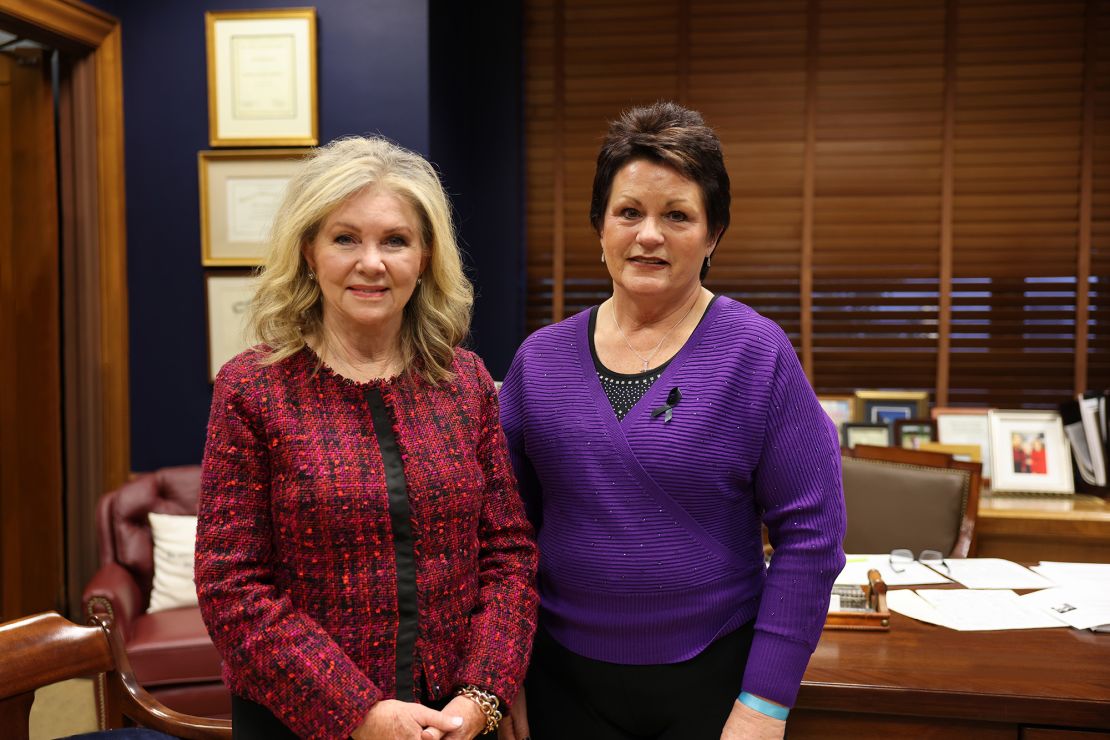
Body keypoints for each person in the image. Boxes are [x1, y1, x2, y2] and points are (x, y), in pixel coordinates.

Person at [498, 102, 846, 740]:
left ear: (713, 235)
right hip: (559, 681)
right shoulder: (538, 361)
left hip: (713, 683)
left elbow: (811, 536)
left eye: (677, 215)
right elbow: (504, 538)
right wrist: (500, 671)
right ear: (599, 226)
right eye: (628, 212)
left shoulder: (757, 354)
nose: (648, 235)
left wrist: (765, 704)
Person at [195, 136, 538, 740]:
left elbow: (507, 556)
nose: (372, 262)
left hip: (450, 720)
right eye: (345, 237)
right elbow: (232, 585)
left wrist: (482, 694)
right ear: (309, 250)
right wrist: (357, 712)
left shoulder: (465, 384)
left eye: (396, 240)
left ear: (426, 255)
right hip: (298, 720)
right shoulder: (253, 388)